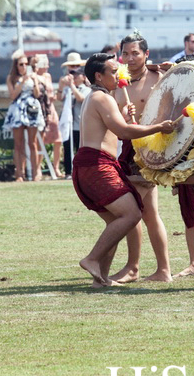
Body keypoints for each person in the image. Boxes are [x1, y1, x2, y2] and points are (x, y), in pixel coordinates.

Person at [73, 53, 180, 287]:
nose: (118, 74)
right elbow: (124, 133)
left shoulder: (98, 97)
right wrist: (158, 128)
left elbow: (111, 129)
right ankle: (92, 259)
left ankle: (100, 278)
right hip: (97, 166)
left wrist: (122, 117)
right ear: (99, 76)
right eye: (113, 71)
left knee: (116, 221)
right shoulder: (102, 97)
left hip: (91, 165)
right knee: (132, 215)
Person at [110, 33, 173, 283]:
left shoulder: (160, 77)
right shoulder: (117, 82)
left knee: (131, 209)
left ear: (146, 55)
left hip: (151, 150)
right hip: (127, 148)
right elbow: (114, 118)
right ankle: (163, 270)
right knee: (148, 213)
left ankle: (133, 267)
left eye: (135, 53)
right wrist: (125, 115)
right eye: (125, 53)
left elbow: (177, 103)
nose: (130, 58)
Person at [3, 50, 46, 181]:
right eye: (21, 64)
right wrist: (22, 81)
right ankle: (19, 173)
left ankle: (36, 172)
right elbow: (13, 95)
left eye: (25, 64)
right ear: (16, 65)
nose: (23, 67)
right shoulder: (11, 78)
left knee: (33, 143)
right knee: (18, 143)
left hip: (31, 109)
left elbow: (37, 94)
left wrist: (34, 81)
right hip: (17, 110)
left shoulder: (33, 76)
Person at [56, 52, 91, 177]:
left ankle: (83, 172)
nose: (74, 76)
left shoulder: (86, 88)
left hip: (80, 124)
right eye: (71, 70)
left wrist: (72, 86)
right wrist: (62, 86)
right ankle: (68, 171)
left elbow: (81, 98)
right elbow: (59, 97)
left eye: (77, 74)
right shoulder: (67, 87)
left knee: (81, 150)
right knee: (68, 148)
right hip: (69, 124)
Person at [35, 54, 64, 178]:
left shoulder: (48, 76)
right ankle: (38, 169)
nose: (47, 67)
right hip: (40, 110)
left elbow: (51, 93)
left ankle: (56, 168)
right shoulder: (34, 77)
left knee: (58, 140)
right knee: (39, 141)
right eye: (44, 64)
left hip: (51, 109)